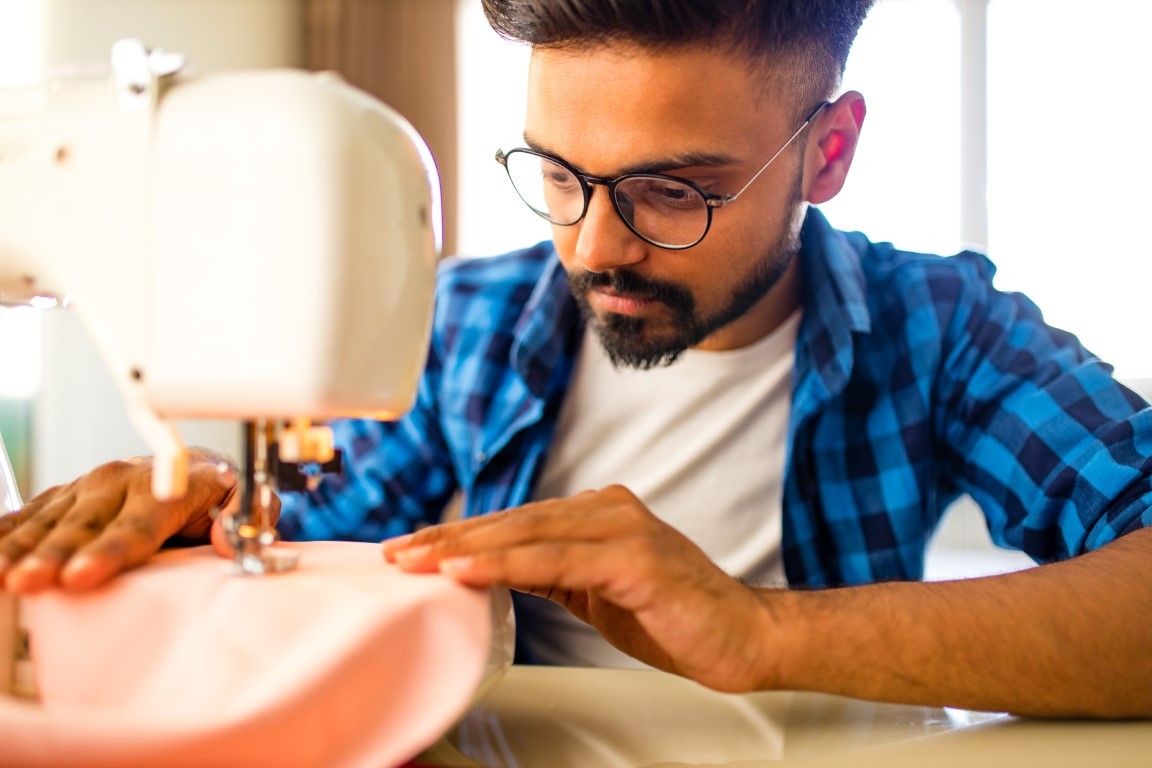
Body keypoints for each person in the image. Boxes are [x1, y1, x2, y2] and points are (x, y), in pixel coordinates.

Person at [1, 0, 1150, 719]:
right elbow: (303, 540)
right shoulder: (469, 326)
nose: (593, 247)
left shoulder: (943, 327)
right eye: (556, 173)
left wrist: (763, 635)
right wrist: (192, 518)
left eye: (671, 191)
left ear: (829, 152)